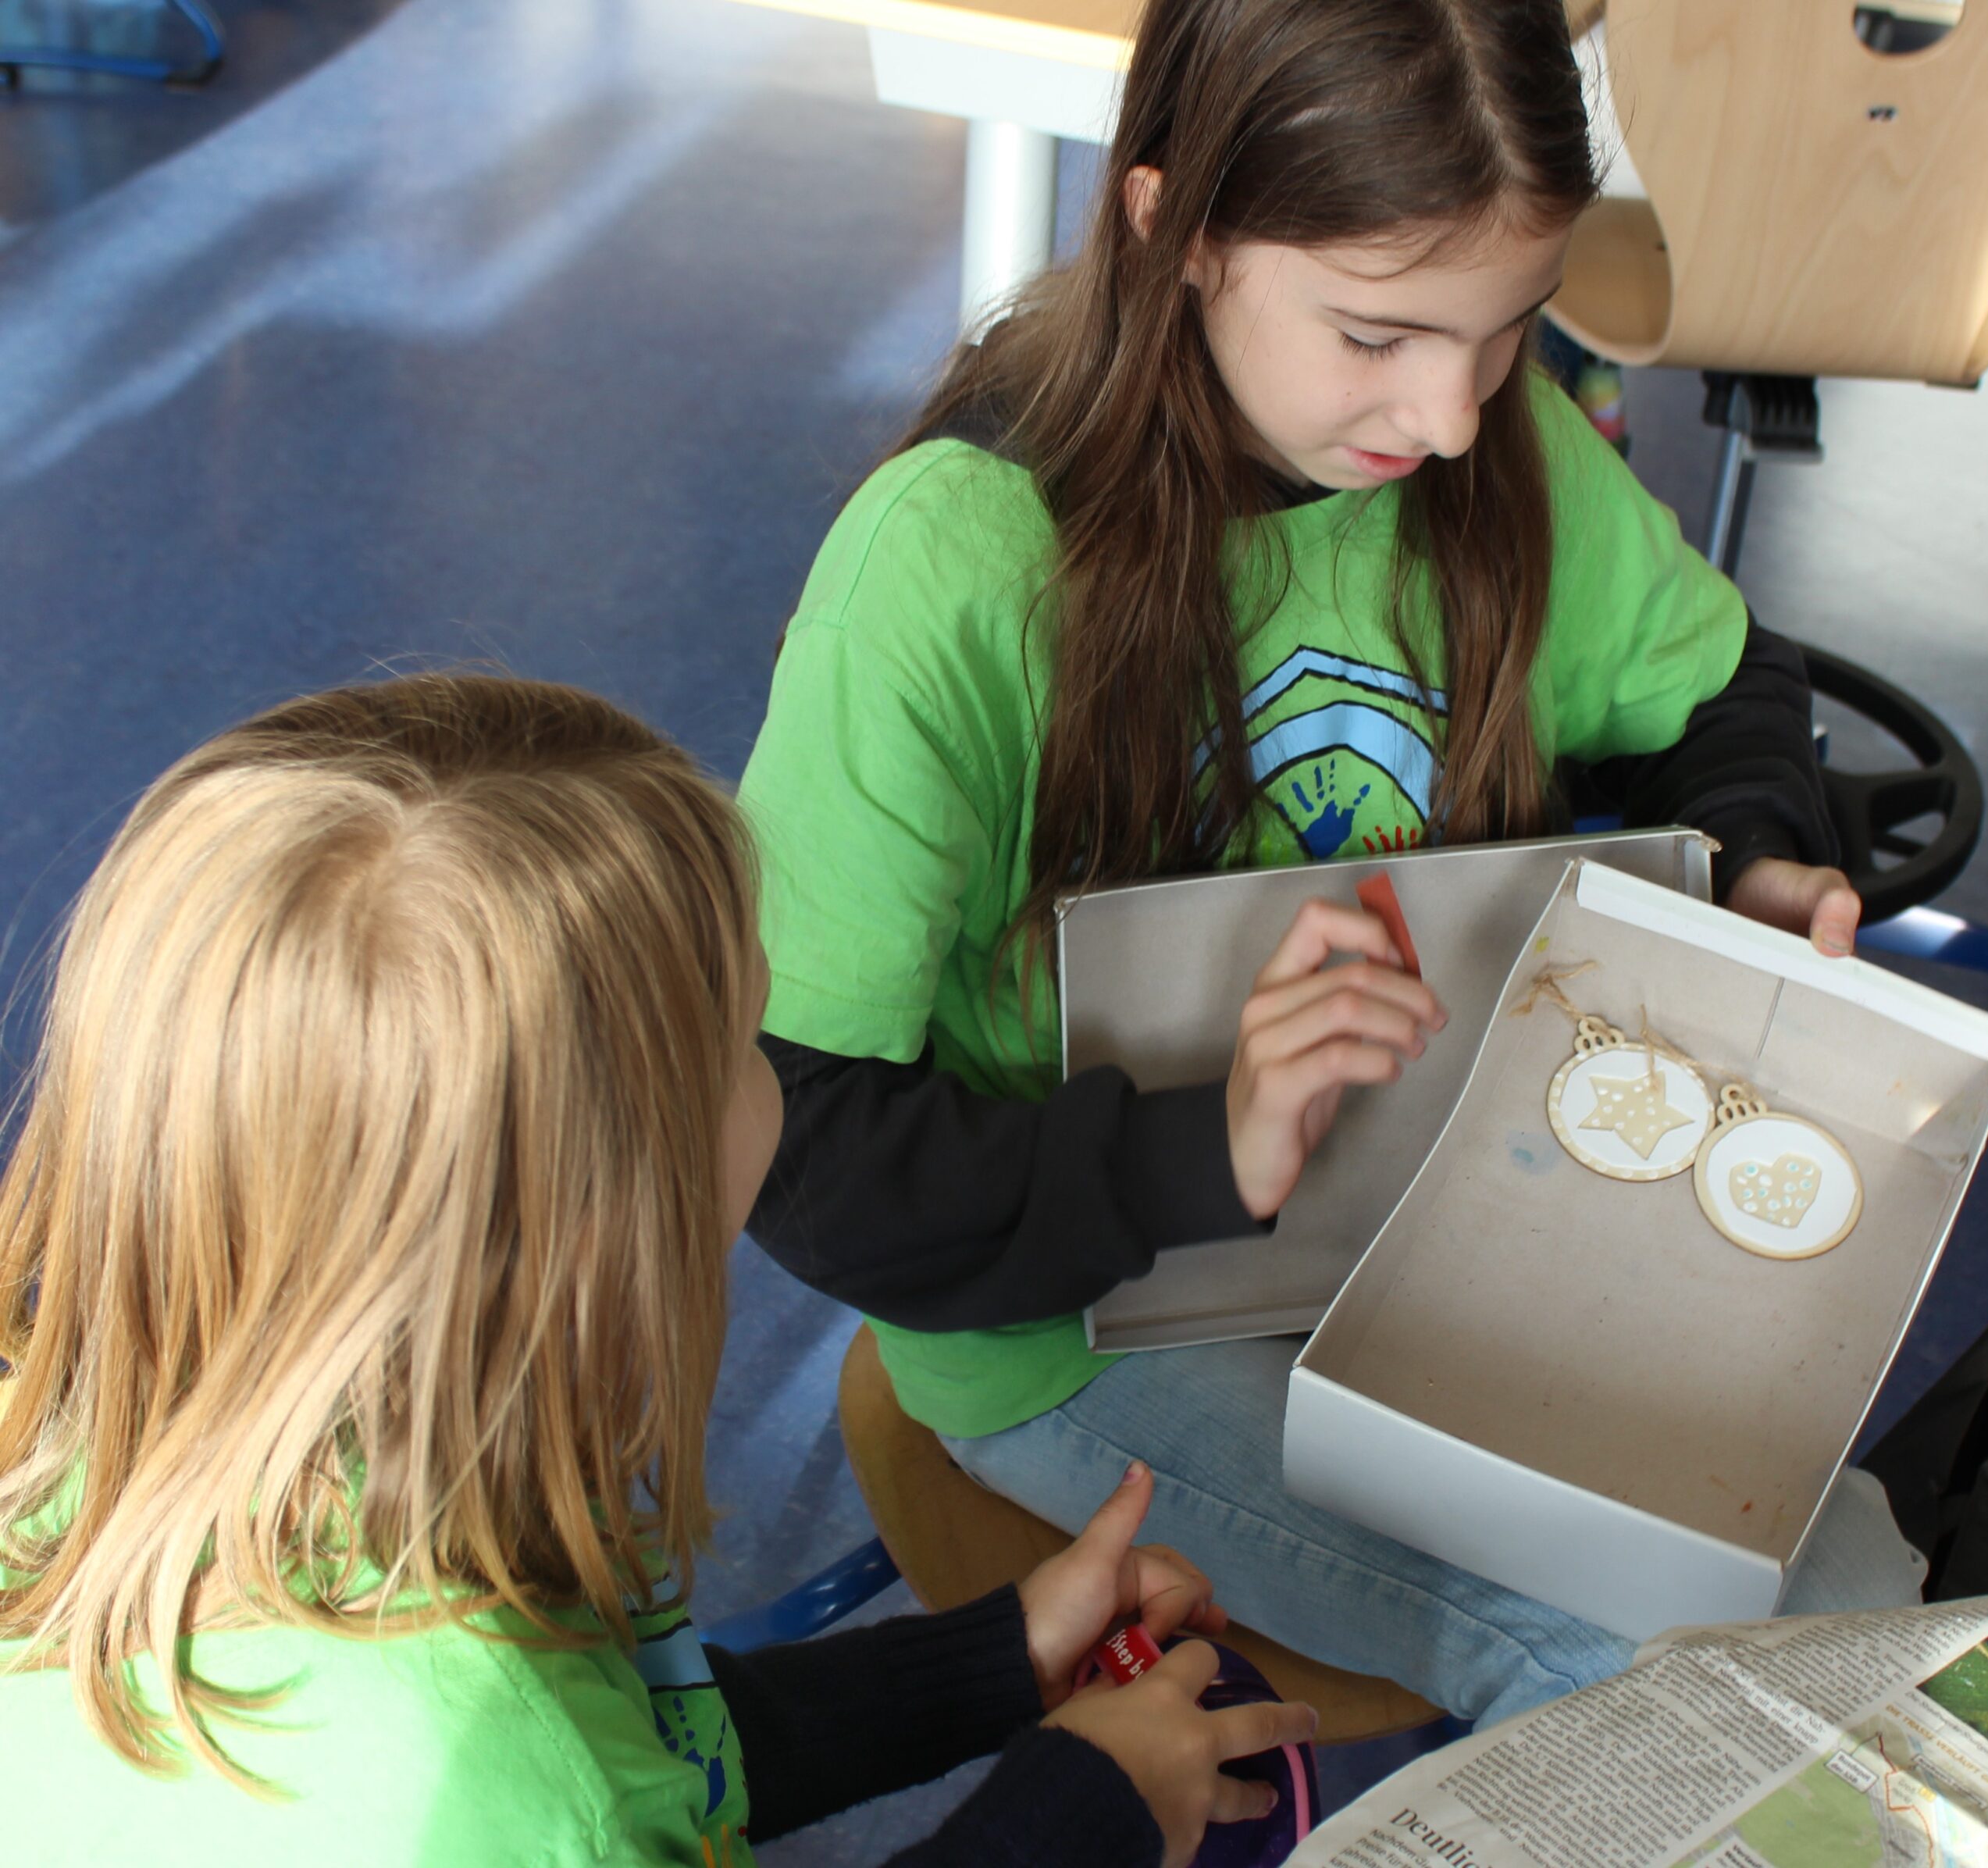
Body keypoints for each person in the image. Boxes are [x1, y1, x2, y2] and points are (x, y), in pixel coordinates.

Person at [736, 0, 1927, 1731]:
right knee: (1707, 1685)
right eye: (1374, 332)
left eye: (1506, 331)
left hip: (1444, 1202)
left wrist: (1752, 857)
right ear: (1171, 228)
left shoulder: (1488, 461)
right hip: (1087, 1319)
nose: (1447, 417)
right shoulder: (952, 571)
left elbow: (1719, 683)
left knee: (1836, 1583)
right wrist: (1194, 1148)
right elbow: (800, 1136)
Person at [0, 674, 1314, 1868]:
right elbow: (588, 1793)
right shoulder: (514, 1806)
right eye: (751, 1037)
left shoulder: (192, 1471)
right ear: (619, 1220)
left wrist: (991, 1663)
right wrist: (1084, 1813)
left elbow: (645, 1748)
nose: (779, 1086)